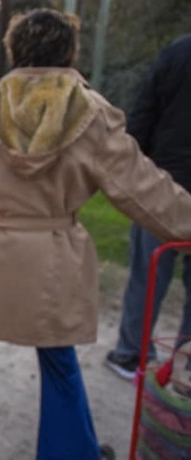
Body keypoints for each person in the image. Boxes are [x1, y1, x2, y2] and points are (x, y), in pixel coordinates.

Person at [0, 9, 191, 460]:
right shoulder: (94, 113)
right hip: (51, 260)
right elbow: (143, 191)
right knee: (59, 364)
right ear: (70, 52)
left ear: (14, 51)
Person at [104, 34, 191, 380]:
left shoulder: (175, 54)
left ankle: (131, 354)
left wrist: (135, 171)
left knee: (149, 274)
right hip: (168, 174)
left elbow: (143, 114)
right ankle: (184, 362)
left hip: (163, 184)